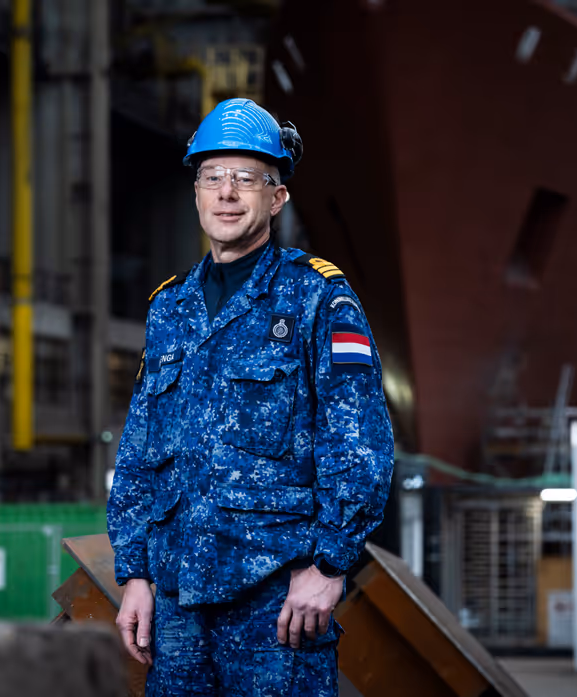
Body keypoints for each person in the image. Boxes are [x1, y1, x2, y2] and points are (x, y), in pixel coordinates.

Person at [106, 97, 394, 696]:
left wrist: (329, 565)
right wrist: (133, 574)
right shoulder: (169, 307)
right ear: (196, 193)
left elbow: (359, 441)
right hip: (177, 607)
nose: (227, 193)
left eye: (246, 177)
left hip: (277, 604)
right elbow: (137, 451)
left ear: (277, 196)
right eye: (212, 177)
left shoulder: (317, 297)